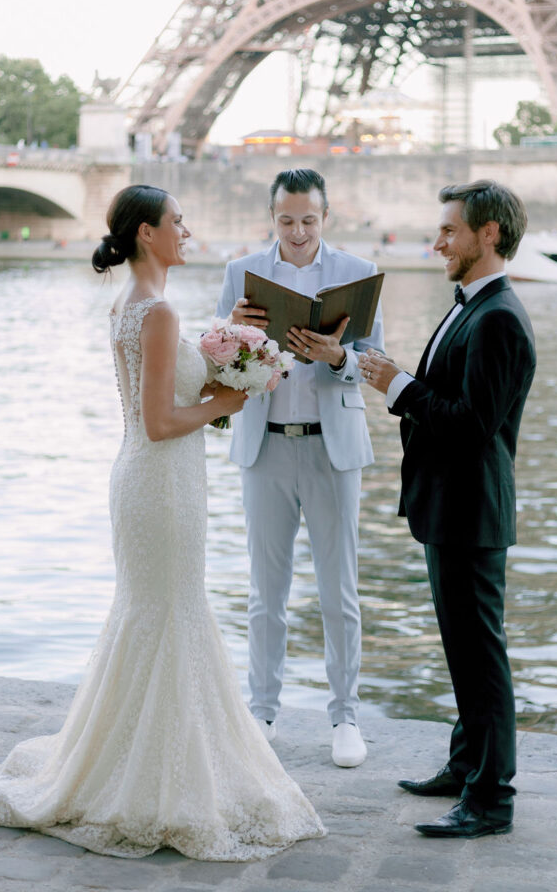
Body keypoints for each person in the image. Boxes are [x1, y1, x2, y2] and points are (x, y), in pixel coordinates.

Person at [0, 184, 325, 860]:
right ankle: (156, 776)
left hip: (148, 481)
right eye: (176, 221)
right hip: (161, 483)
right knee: (169, 612)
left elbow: (154, 409)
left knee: (153, 613)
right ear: (147, 234)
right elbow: (160, 423)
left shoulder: (132, 305)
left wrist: (215, 376)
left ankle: (141, 759)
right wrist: (227, 401)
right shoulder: (156, 314)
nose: (186, 229)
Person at [359, 179, 536, 839]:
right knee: (464, 650)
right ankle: (466, 768)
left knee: (479, 655)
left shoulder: (497, 318)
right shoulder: (472, 307)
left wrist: (400, 386)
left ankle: (491, 799)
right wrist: (394, 376)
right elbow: (446, 397)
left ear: (487, 234)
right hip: (450, 506)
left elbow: (470, 427)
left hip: (469, 511)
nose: (435, 243)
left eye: (448, 232)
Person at [216, 168, 384, 768]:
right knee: (266, 593)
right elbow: (218, 364)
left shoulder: (358, 274)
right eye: (286, 220)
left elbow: (372, 361)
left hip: (332, 451)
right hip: (264, 448)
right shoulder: (241, 274)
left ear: (325, 217)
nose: (297, 232)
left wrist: (338, 356)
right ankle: (263, 711)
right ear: (272, 217)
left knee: (340, 592)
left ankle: (346, 716)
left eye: (308, 220)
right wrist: (237, 331)